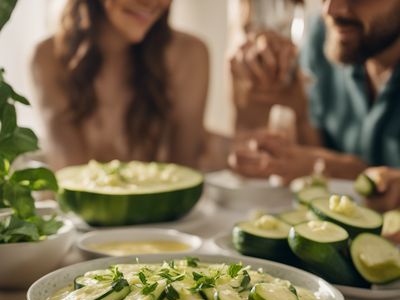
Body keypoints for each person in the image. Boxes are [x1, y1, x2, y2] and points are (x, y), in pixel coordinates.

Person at [32, 0, 227, 170]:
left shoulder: (190, 54)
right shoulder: (47, 58)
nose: (152, 2)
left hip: (163, 211)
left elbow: (184, 167)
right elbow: (71, 174)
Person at [229, 0, 400, 183]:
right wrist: (275, 98)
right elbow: (308, 148)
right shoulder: (326, 38)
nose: (330, 10)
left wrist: (320, 165)